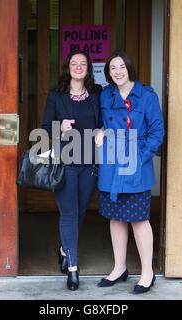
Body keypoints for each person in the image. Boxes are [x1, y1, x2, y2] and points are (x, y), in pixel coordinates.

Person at [95, 51, 164, 294]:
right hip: (111, 165)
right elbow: (98, 122)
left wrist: (140, 158)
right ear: (108, 73)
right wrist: (99, 131)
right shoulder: (105, 95)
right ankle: (119, 268)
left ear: (129, 68)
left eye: (121, 66)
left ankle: (147, 272)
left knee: (138, 219)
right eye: (112, 68)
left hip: (136, 165)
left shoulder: (147, 96)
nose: (117, 71)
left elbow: (157, 132)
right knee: (116, 217)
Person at [42, 50, 102, 291]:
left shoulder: (97, 94)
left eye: (83, 63)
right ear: (67, 68)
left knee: (79, 213)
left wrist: (103, 130)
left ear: (88, 68)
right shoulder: (56, 96)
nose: (78, 67)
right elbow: (44, 130)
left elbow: (105, 121)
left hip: (89, 163)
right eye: (74, 63)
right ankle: (73, 267)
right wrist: (60, 127)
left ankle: (63, 248)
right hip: (66, 163)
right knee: (68, 213)